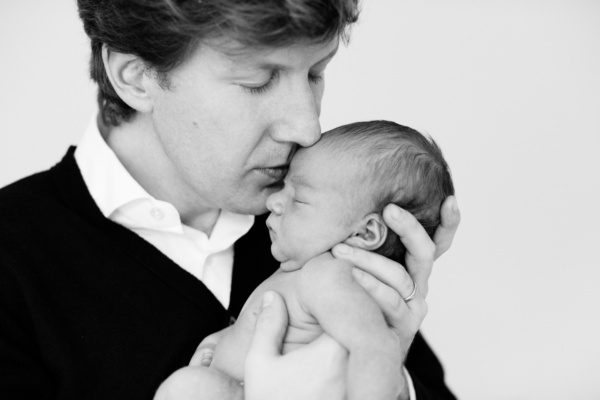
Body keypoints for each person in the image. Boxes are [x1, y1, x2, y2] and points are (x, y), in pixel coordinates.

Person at [0, 1, 460, 399]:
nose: (307, 127)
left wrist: (395, 372)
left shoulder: (323, 222)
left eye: (316, 73)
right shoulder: (13, 255)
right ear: (136, 77)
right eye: (258, 81)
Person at [208, 120, 455, 400]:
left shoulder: (327, 275)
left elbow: (376, 347)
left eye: (298, 199)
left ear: (364, 232)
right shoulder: (307, 272)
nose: (273, 203)